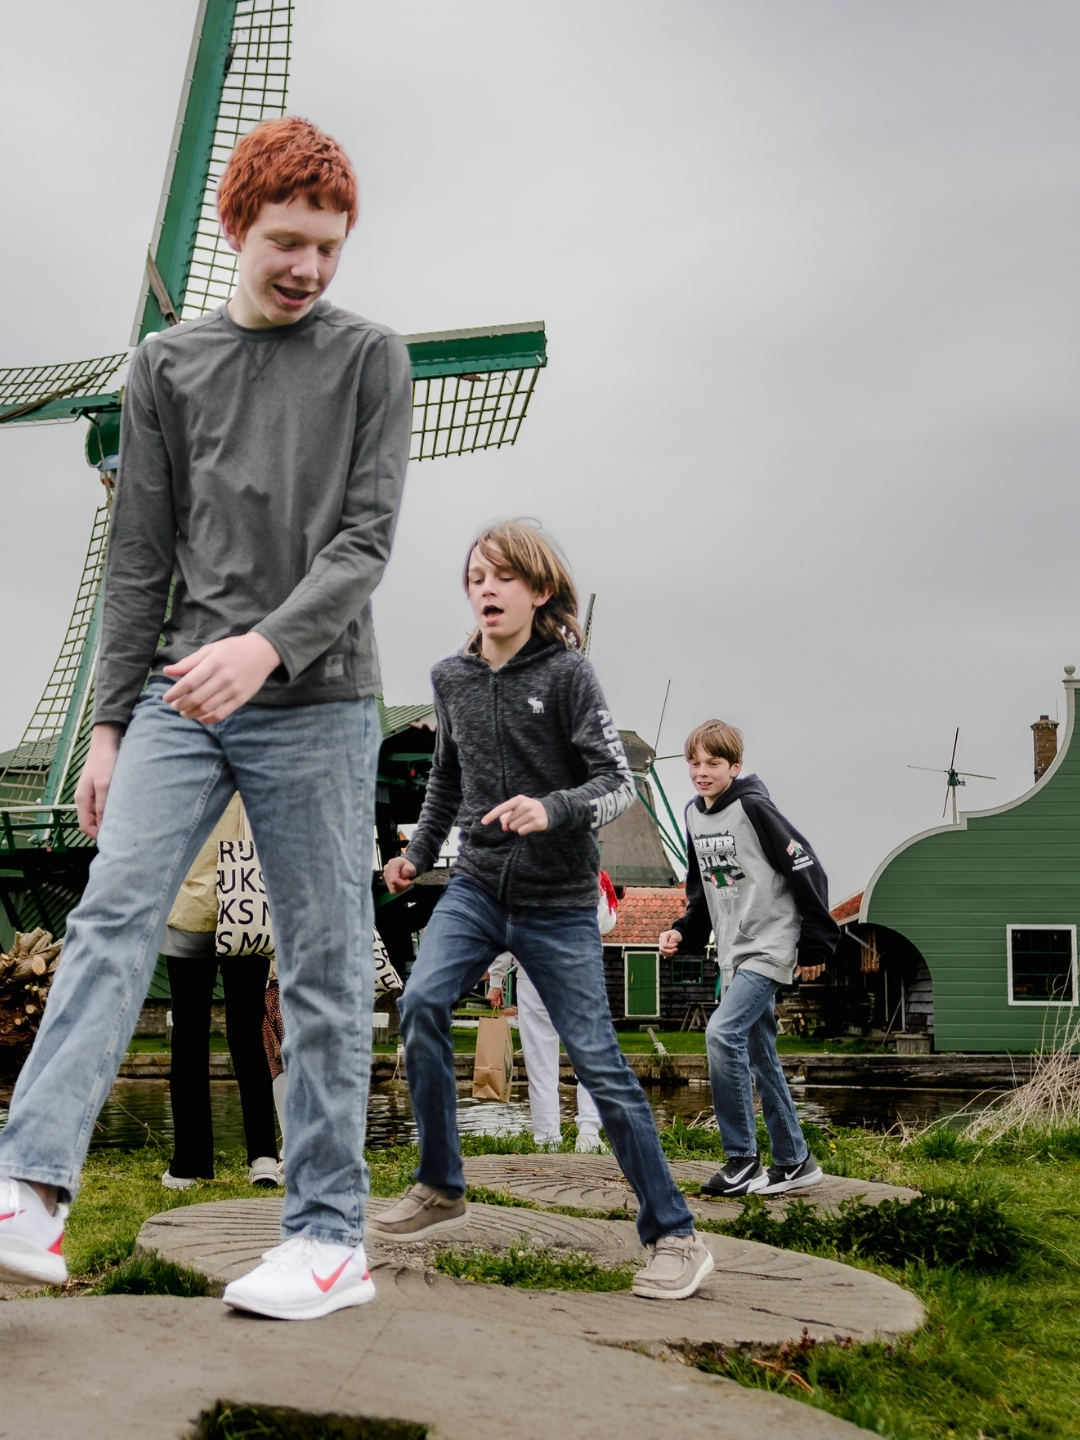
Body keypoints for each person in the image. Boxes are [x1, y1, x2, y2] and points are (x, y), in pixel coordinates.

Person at [0, 117, 412, 1322]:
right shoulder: (166, 369)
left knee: (327, 960)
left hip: (319, 699)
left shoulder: (369, 362)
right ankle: (30, 1190)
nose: (310, 268)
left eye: (329, 249)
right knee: (114, 913)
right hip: (181, 694)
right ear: (236, 228)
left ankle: (330, 1237)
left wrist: (268, 643)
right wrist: (108, 727)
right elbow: (137, 560)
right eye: (289, 242)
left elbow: (367, 541)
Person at [372, 520, 714, 1302]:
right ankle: (440, 1183)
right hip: (478, 888)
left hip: (559, 902)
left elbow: (616, 783)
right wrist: (417, 857)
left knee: (595, 1060)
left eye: (502, 577)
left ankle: (674, 1235)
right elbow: (446, 783)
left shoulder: (568, 676)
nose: (486, 589)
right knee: (420, 1002)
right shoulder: (451, 678)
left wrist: (552, 808)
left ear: (539, 590)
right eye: (475, 578)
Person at [659, 720, 839, 1198]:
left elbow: (807, 867)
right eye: (694, 763)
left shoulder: (755, 807)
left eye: (713, 763)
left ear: (735, 767)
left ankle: (742, 1160)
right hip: (733, 952)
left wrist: (817, 943)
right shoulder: (694, 815)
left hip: (771, 943)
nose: (701, 772)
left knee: (722, 1032)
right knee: (760, 1054)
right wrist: (682, 930)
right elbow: (705, 892)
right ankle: (795, 1160)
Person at [161, 792, 279, 1189]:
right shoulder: (255, 745)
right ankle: (263, 1156)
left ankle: (189, 1162)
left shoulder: (178, 755)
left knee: (189, 1033)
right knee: (247, 1030)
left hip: (189, 902)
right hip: (247, 897)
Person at [485, 871, 618, 1151]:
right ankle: (589, 1135)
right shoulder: (590, 875)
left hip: (533, 974)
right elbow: (605, 924)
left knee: (540, 1062)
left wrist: (496, 980)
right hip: (577, 973)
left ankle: (547, 1139)